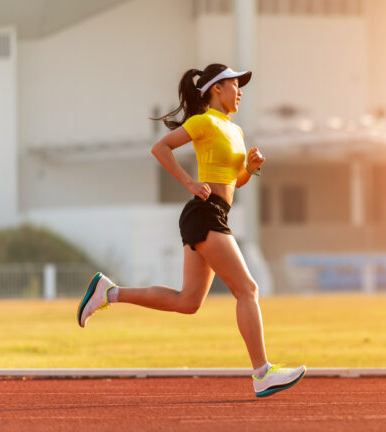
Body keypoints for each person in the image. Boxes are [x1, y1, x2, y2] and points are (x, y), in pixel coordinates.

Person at [77, 63, 305, 398]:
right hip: (204, 213)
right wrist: (189, 181)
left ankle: (109, 293)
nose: (239, 91)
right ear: (216, 89)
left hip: (214, 212)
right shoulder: (204, 121)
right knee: (247, 289)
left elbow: (232, 182)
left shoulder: (235, 131)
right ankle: (262, 373)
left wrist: (250, 170)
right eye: (234, 85)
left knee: (188, 302)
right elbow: (160, 148)